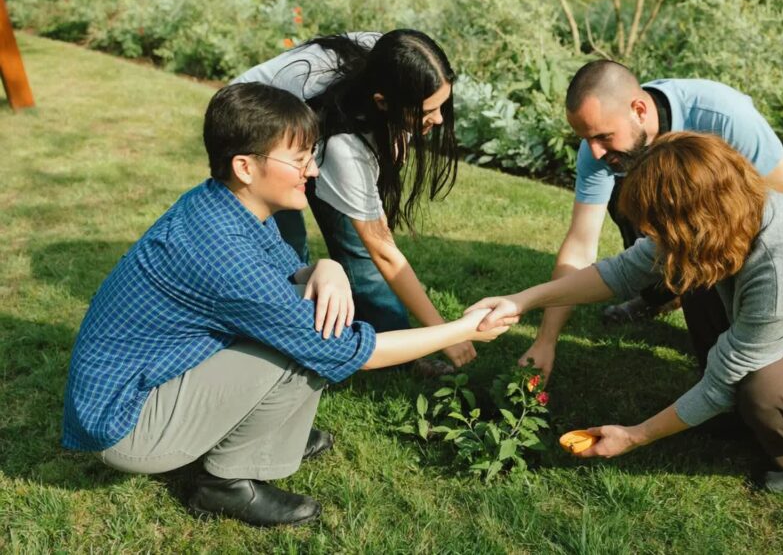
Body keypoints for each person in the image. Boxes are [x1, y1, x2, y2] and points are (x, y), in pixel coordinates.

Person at [61, 83, 509, 527]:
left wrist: (328, 267)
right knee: (318, 332)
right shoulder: (222, 252)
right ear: (245, 167)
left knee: (312, 306)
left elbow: (291, 274)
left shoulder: (224, 204)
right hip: (128, 426)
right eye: (299, 160)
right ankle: (226, 482)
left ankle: (262, 439)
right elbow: (353, 353)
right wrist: (464, 329)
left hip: (146, 383)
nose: (312, 171)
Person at [469, 132, 783, 492]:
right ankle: (746, 416)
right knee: (689, 275)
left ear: (695, 217)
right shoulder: (729, 219)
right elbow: (621, 273)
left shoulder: (782, 270)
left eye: (657, 225)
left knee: (763, 386)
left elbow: (724, 377)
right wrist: (524, 300)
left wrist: (635, 436)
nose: (649, 235)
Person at [519, 60, 783, 382]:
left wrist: (709, 229)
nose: (595, 152)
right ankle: (662, 294)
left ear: (639, 110)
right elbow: (581, 245)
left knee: (725, 348)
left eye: (603, 137)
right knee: (631, 201)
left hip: (733, 227)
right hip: (687, 231)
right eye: (587, 140)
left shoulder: (722, 117)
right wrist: (545, 340)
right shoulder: (599, 151)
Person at [232, 30, 469, 377]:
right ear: (383, 102)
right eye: (427, 112)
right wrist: (443, 334)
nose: (439, 120)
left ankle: (397, 350)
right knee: (286, 252)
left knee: (354, 247)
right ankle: (293, 353)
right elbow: (383, 251)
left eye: (441, 106)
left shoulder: (390, 57)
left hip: (316, 126)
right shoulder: (345, 149)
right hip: (252, 131)